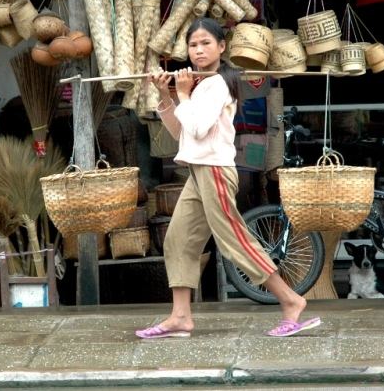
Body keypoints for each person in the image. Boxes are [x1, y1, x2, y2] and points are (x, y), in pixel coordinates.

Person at [135, 18, 320, 339]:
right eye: (193, 45)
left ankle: (291, 301)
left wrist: (183, 94)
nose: (199, 50)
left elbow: (197, 127)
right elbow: (182, 133)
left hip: (216, 172)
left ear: (222, 47)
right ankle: (180, 316)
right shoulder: (200, 85)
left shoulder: (218, 83)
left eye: (206, 43)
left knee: (234, 239)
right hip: (197, 169)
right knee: (178, 239)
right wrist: (166, 95)